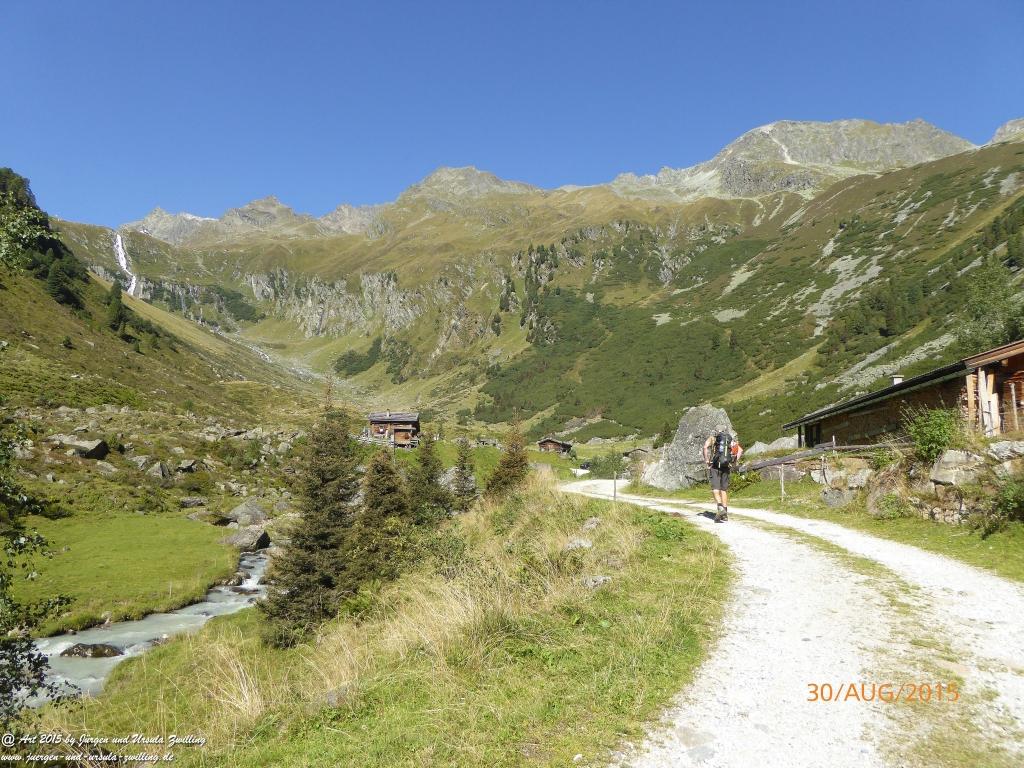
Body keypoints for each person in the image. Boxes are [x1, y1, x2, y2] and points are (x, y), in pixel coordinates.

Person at [702, 430, 742, 522]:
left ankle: (720, 508)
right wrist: (734, 462)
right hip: (726, 466)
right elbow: (740, 450)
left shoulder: (713, 438)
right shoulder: (729, 440)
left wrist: (707, 460)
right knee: (724, 490)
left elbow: (705, 447)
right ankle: (725, 514)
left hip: (715, 466)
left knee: (715, 489)